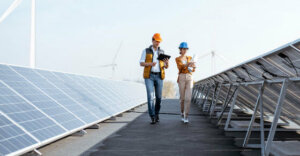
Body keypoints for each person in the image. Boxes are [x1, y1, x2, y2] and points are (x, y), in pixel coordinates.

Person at [140, 33, 169, 124]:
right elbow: (141, 63)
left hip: (159, 76)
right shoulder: (146, 51)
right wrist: (150, 64)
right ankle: (152, 116)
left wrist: (167, 63)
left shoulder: (162, 52)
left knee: (159, 97)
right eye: (156, 41)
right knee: (150, 97)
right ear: (152, 40)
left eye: (159, 41)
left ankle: (156, 114)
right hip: (149, 76)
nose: (158, 43)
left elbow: (166, 66)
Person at [175, 42, 196, 123]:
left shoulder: (190, 58)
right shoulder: (178, 59)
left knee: (188, 98)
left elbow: (193, 69)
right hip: (182, 77)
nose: (184, 50)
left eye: (185, 49)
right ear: (180, 49)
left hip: (190, 77)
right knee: (182, 98)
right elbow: (181, 67)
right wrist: (188, 64)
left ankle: (186, 115)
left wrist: (193, 66)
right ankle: (182, 112)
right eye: (183, 49)